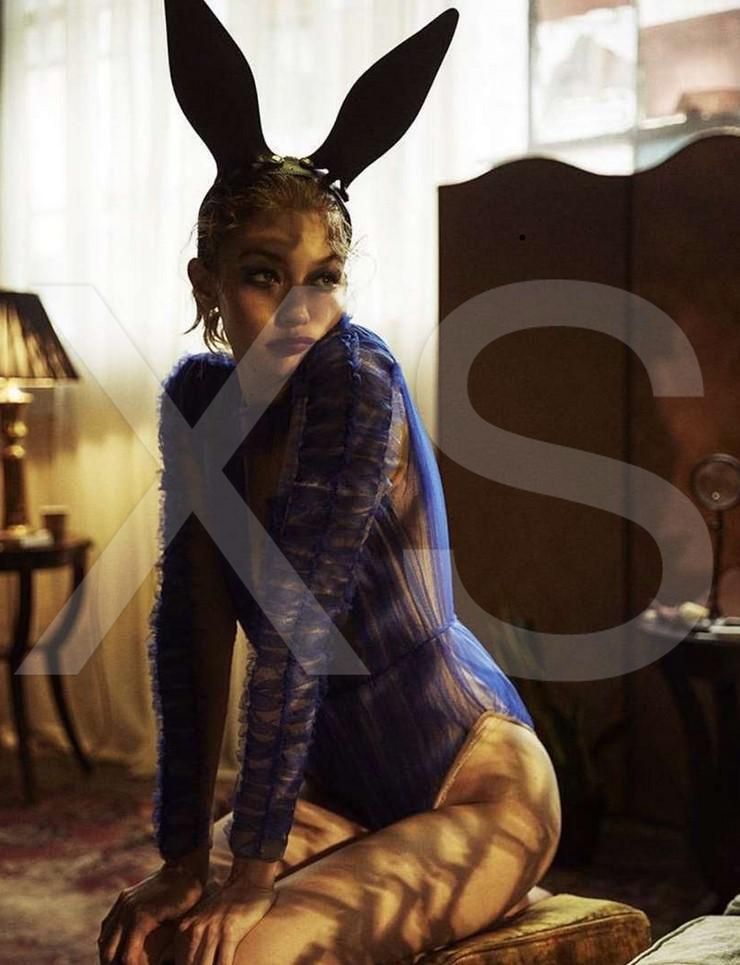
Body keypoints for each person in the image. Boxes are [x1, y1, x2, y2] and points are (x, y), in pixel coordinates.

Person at [97, 3, 561, 964]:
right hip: (333, 788)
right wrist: (183, 858)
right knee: (145, 939)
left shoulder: (358, 378)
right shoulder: (198, 401)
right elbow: (191, 638)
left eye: (326, 277)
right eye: (266, 274)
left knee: (245, 953)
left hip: (476, 786)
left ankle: (493, 877)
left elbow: (295, 638)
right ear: (207, 283)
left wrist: (253, 874)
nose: (301, 313)